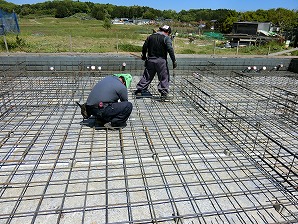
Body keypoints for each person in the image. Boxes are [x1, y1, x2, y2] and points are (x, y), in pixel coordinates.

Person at [134, 25, 177, 100]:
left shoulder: (150, 37)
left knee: (147, 76)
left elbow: (144, 47)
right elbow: (170, 49)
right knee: (164, 77)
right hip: (161, 61)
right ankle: (163, 93)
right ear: (167, 32)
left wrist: (144, 56)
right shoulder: (166, 38)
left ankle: (139, 90)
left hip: (150, 60)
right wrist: (174, 61)